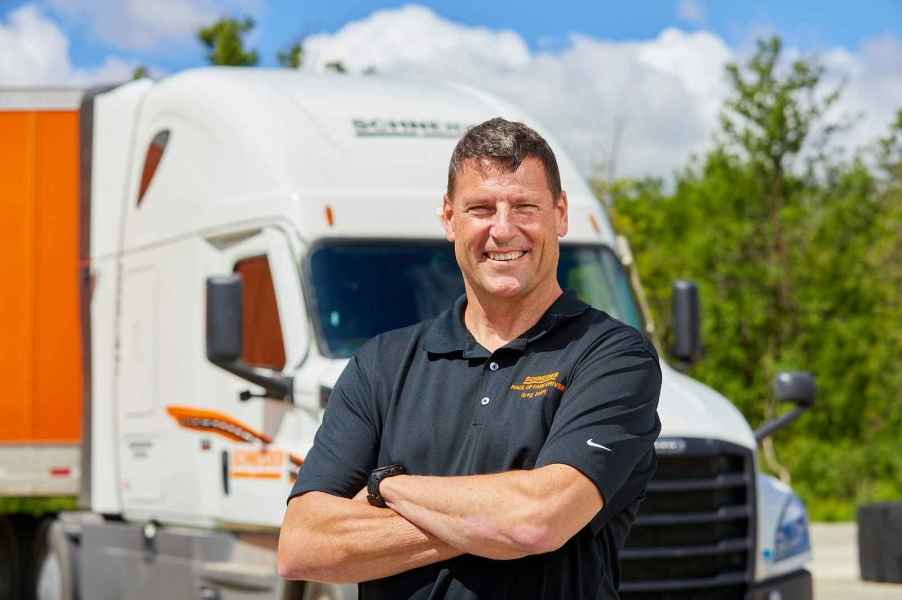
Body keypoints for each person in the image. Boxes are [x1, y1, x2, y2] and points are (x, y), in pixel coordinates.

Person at [278, 117, 662, 599]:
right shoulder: (381, 364)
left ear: (560, 214)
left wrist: (387, 489)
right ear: (448, 218)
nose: (503, 230)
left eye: (524, 206)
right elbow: (302, 545)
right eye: (481, 208)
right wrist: (491, 520)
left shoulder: (612, 356)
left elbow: (535, 522)